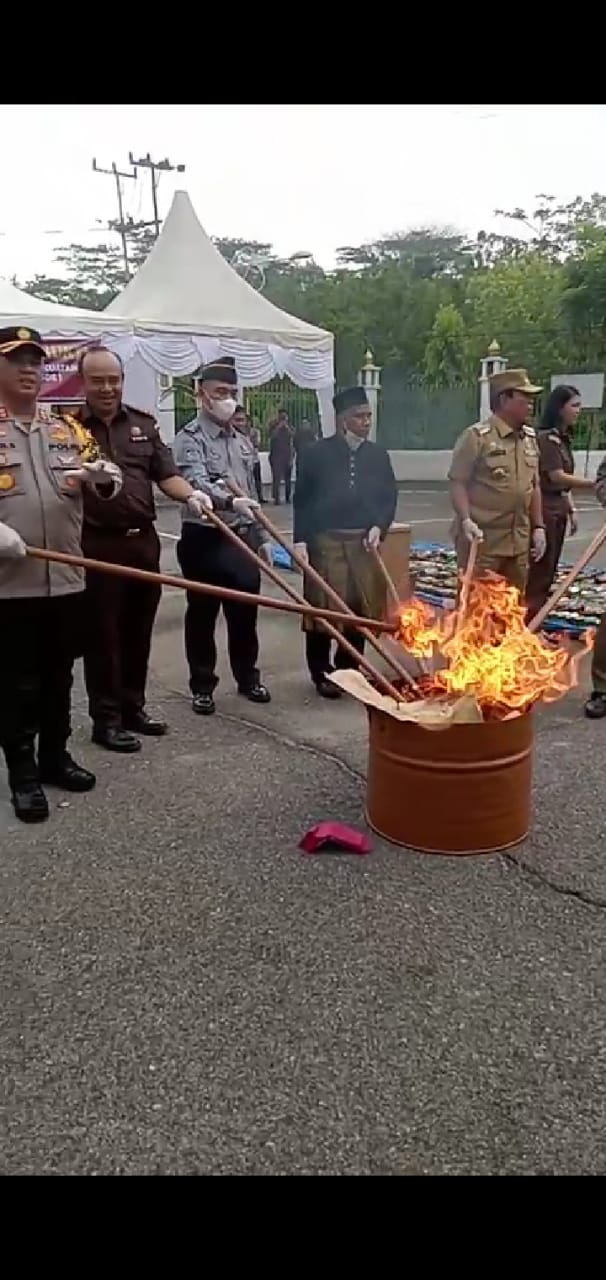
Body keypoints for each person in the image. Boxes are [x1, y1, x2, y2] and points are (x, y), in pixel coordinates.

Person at [0, 327, 122, 822]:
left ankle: (55, 756)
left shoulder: (67, 429)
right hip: (10, 586)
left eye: (36, 361)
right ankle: (23, 775)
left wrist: (105, 480)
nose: (29, 369)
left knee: (58, 676)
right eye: (17, 361)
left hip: (68, 579)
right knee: (14, 683)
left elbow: (102, 473)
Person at [75, 346, 212, 754]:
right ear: (84, 382)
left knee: (137, 631)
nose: (106, 387)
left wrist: (194, 496)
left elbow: (166, 475)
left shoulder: (143, 425)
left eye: (113, 379)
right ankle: (107, 719)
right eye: (97, 380)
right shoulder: (66, 429)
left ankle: (134, 707)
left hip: (142, 544)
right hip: (96, 544)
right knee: (104, 637)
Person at [172, 357, 272, 716]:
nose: (227, 399)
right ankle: (202, 685)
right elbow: (195, 481)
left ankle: (248, 678)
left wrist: (261, 537)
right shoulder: (189, 439)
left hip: (241, 535)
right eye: (220, 392)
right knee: (202, 613)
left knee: (245, 612)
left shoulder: (242, 441)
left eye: (232, 392)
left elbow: (251, 494)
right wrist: (229, 500)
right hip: (205, 536)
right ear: (202, 395)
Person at [293, 385, 397, 699]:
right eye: (359, 416)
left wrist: (380, 525)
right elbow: (303, 501)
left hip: (364, 544)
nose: (366, 422)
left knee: (359, 609)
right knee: (324, 610)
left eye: (368, 416)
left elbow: (388, 497)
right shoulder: (315, 454)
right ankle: (321, 672)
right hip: (326, 542)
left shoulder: (378, 455)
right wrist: (300, 542)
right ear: (342, 420)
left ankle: (349, 668)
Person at [448, 368, 546, 595]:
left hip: (518, 542)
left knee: (512, 607)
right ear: (504, 399)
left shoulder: (530, 439)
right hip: (483, 542)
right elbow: (457, 482)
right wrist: (465, 519)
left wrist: (539, 527)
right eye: (525, 399)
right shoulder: (477, 437)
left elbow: (535, 486)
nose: (531, 405)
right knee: (477, 608)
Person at [526, 385, 595, 621]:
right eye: (574, 405)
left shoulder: (563, 439)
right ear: (559, 408)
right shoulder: (546, 438)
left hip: (558, 508)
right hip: (545, 508)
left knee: (550, 569)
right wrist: (595, 484)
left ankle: (537, 617)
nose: (578, 411)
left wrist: (572, 508)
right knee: (540, 570)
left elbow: (563, 483)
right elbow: (555, 476)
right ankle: (529, 620)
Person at [268, 407, 294, 504]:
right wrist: (279, 426)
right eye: (281, 415)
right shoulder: (273, 424)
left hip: (287, 454)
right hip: (276, 455)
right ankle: (276, 498)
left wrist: (286, 426)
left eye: (284, 416)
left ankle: (288, 497)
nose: (283, 417)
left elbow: (293, 436)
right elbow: (272, 436)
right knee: (276, 478)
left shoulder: (289, 425)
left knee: (288, 478)